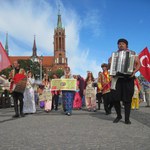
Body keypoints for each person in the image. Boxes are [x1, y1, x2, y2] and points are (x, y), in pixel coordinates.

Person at [109, 38, 141, 124]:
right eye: (119, 44)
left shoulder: (132, 53)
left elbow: (139, 64)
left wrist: (134, 72)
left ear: (126, 45)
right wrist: (110, 62)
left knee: (127, 100)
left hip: (128, 78)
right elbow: (110, 66)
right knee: (115, 98)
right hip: (117, 79)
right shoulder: (114, 54)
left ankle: (127, 119)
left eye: (123, 43)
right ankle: (119, 115)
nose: (121, 45)